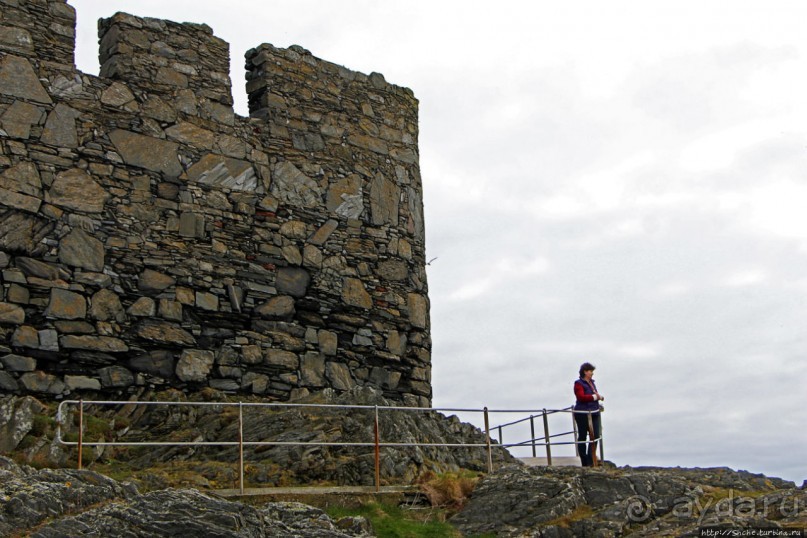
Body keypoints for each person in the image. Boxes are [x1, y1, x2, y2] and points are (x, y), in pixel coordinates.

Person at [573, 362, 603, 467]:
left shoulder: (591, 383)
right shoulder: (578, 384)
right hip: (582, 413)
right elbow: (581, 397)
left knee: (596, 435)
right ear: (585, 372)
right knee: (582, 436)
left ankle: (591, 459)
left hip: (593, 412)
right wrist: (595, 397)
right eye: (590, 371)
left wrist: (597, 402)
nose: (592, 373)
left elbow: (592, 395)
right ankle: (584, 461)